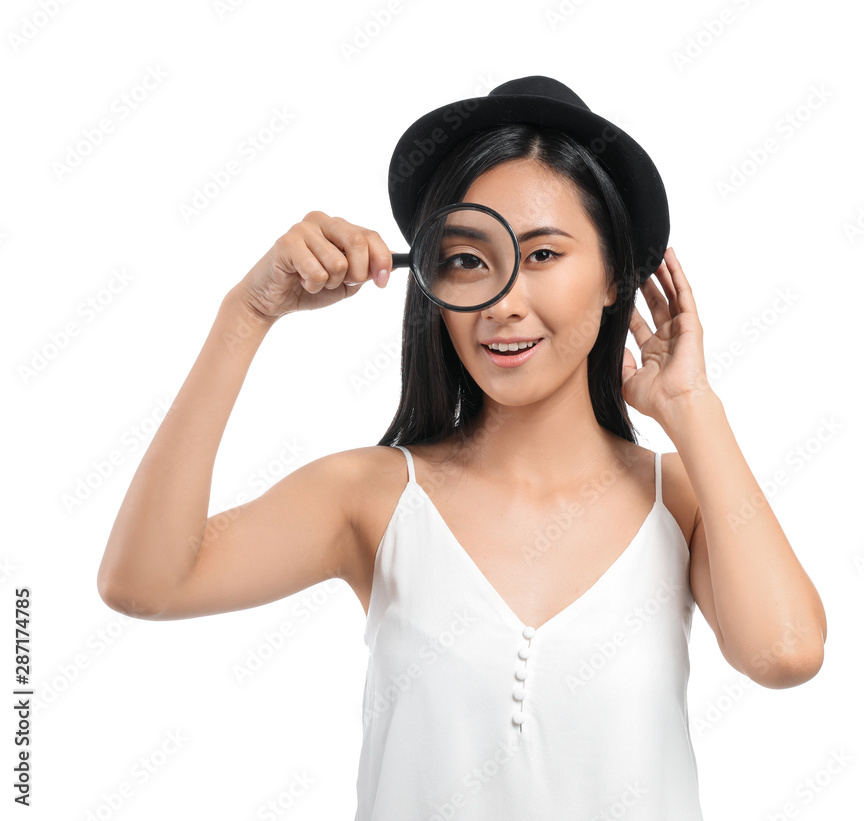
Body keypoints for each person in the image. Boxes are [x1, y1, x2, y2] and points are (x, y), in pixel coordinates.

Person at [97, 76, 827, 820]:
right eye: (467, 261)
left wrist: (692, 410)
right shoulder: (372, 497)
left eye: (542, 254)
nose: (503, 300)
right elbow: (144, 583)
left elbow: (786, 652)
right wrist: (247, 313)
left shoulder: (682, 500)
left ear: (615, 277)